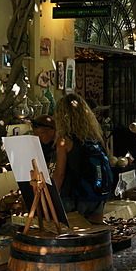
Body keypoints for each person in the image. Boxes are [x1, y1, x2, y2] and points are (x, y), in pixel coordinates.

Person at [52, 93, 109, 224]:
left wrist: (51, 197)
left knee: (74, 239)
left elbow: (60, 174)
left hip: (74, 197)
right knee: (95, 235)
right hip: (97, 195)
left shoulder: (64, 140)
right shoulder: (97, 137)